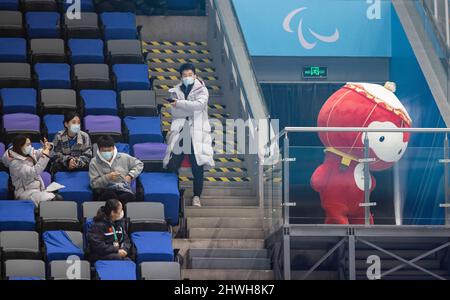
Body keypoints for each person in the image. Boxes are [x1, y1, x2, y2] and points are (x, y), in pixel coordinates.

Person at [163, 63, 214, 207]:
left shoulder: (202, 90)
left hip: (197, 131)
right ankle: (174, 192)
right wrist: (187, 107)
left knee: (197, 165)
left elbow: (199, 106)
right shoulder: (174, 91)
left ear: (195, 75)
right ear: (181, 77)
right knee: (173, 164)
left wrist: (179, 103)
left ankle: (197, 196)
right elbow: (175, 113)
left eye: (190, 75)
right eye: (184, 75)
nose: (187, 77)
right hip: (181, 130)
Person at [2, 135, 63, 205]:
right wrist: (45, 156)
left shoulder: (26, 152)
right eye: (28, 144)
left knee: (58, 198)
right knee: (55, 199)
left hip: (38, 190)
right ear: (20, 146)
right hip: (26, 193)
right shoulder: (14, 164)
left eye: (30, 144)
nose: (30, 147)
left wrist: (48, 148)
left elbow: (37, 153)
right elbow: (34, 172)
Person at [89, 135, 143, 204]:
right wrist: (108, 177)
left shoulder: (124, 157)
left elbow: (139, 164)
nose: (107, 153)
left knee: (128, 198)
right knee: (110, 197)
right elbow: (94, 184)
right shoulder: (94, 162)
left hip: (124, 189)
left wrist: (130, 175)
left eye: (109, 150)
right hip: (106, 190)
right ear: (99, 150)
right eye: (104, 151)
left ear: (114, 148)